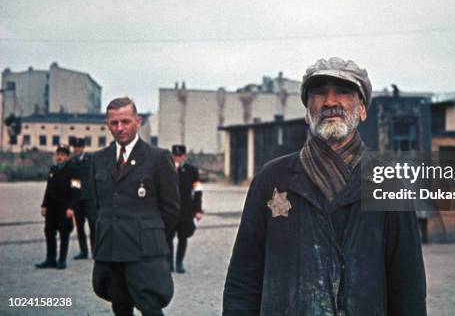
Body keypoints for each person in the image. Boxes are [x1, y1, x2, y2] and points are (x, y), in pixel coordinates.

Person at [223, 57, 427, 316]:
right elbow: (244, 278)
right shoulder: (272, 179)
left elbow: (407, 288)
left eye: (343, 92)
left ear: (363, 109)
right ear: (308, 113)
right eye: (319, 93)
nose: (330, 102)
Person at [91, 97, 180, 316]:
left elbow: (171, 208)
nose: (119, 128)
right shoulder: (98, 159)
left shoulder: (157, 158)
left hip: (144, 253)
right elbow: (95, 206)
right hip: (111, 250)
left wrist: (152, 237)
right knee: (120, 307)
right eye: (114, 123)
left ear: (137, 121)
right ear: (107, 124)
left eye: (125, 121)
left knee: (150, 307)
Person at [35, 144, 74, 270]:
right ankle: (50, 259)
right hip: (51, 208)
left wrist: (71, 208)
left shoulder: (73, 170)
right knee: (49, 232)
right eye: (58, 154)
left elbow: (76, 190)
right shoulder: (53, 169)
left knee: (64, 234)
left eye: (62, 155)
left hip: (64, 208)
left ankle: (62, 260)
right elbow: (48, 189)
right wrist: (44, 205)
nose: (59, 157)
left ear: (67, 157)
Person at [168, 144, 204, 274]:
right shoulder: (166, 169)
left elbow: (198, 191)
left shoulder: (192, 171)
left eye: (180, 156)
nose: (178, 158)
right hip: (169, 210)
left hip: (186, 210)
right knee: (168, 238)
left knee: (183, 237)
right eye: (175, 156)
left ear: (185, 156)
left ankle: (179, 263)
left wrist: (198, 210)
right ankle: (169, 264)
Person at [68, 137, 97, 260]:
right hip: (78, 199)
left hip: (90, 198)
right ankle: (83, 252)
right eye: (75, 147)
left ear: (83, 148)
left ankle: (95, 251)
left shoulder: (91, 160)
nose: (77, 149)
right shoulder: (72, 162)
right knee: (79, 227)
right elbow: (72, 181)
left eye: (79, 147)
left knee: (93, 226)